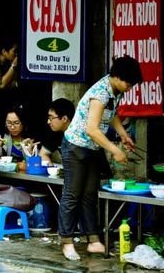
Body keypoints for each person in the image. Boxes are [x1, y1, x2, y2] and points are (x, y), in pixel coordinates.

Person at [58, 56, 143, 261]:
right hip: (76, 146)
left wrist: (123, 134)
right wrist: (115, 150)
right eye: (128, 83)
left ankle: (93, 240)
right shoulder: (100, 93)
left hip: (92, 148)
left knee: (89, 194)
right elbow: (92, 129)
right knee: (72, 194)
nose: (129, 88)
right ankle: (67, 241)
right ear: (117, 77)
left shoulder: (115, 91)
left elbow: (111, 114)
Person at [38, 98, 75, 164]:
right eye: (48, 118)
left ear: (64, 119)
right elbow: (43, 154)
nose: (48, 121)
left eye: (51, 118)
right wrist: (51, 169)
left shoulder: (79, 135)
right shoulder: (54, 132)